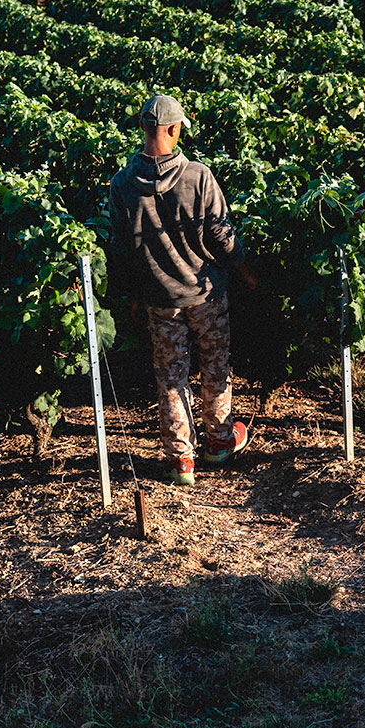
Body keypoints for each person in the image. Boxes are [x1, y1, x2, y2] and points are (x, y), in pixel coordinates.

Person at [107, 94, 256, 485]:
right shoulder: (199, 176)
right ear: (173, 130)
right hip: (205, 292)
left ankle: (180, 460)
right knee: (215, 365)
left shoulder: (122, 184)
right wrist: (244, 270)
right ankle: (219, 442)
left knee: (171, 374)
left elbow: (122, 250)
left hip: (159, 296)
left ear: (143, 128)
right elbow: (222, 238)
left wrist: (135, 296)